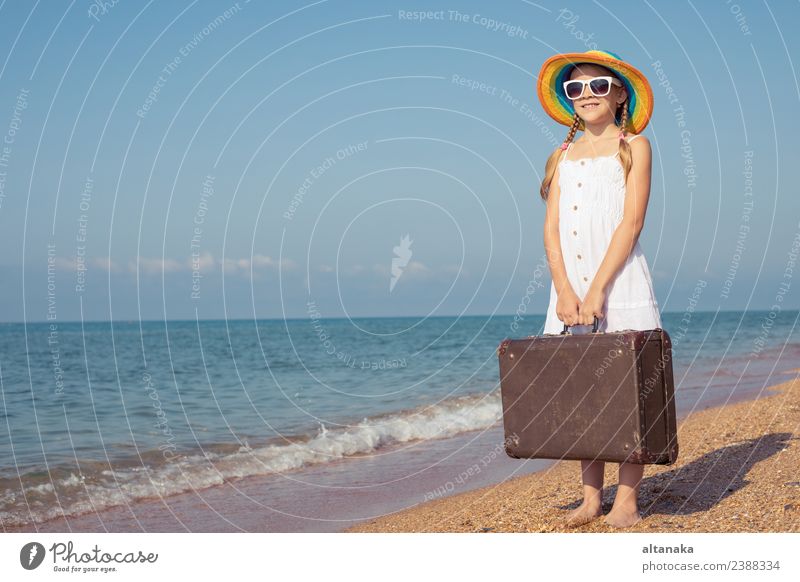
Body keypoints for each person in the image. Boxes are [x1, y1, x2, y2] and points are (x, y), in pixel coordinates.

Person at [536, 49, 662, 528]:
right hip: (569, 288)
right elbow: (551, 231)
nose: (586, 94)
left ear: (619, 93)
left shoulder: (636, 146)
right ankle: (591, 498)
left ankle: (627, 499)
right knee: (583, 390)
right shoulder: (561, 156)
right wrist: (565, 290)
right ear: (568, 100)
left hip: (620, 278)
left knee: (629, 388)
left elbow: (631, 224)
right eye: (575, 88)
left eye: (598, 85)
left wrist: (598, 291)